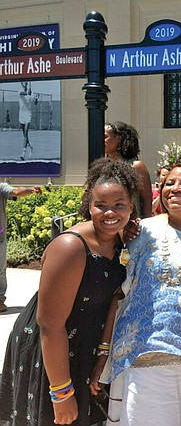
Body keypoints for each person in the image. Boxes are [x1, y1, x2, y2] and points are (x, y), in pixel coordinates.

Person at [0, 157, 139, 426]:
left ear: (131, 207)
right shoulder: (70, 247)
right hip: (53, 350)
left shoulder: (120, 239)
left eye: (119, 205)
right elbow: (49, 325)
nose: (110, 213)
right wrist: (61, 391)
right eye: (101, 206)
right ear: (89, 206)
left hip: (84, 344)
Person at [90, 164, 181, 426]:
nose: (175, 189)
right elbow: (119, 289)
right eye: (169, 183)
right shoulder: (141, 230)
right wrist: (103, 352)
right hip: (137, 350)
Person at [0, 183, 42, 313]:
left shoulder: (1, 187)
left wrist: (31, 190)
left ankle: (0, 300)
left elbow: (17, 192)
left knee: (0, 270)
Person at [104, 121, 153, 218]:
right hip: (108, 223)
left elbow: (146, 200)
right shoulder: (101, 166)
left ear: (119, 138)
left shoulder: (136, 166)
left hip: (132, 225)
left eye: (105, 137)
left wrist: (145, 225)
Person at [18, 81, 38, 160]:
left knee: (26, 133)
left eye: (26, 82)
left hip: (28, 114)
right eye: (23, 82)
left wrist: (36, 98)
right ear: (21, 84)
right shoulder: (19, 91)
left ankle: (23, 153)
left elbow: (35, 103)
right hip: (21, 114)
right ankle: (29, 146)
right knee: (24, 134)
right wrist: (28, 93)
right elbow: (22, 93)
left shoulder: (32, 93)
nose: (25, 83)